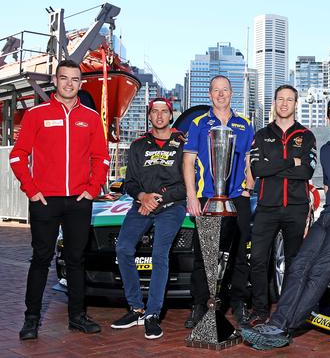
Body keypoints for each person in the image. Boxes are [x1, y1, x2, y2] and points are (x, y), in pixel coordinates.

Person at [241, 95, 330, 349]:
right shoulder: (328, 150)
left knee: (319, 269)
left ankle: (284, 327)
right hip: (328, 214)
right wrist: (315, 216)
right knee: (298, 266)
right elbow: (328, 186)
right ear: (328, 120)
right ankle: (277, 323)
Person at [10, 59, 110, 339]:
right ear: (55, 81)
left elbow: (101, 157)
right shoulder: (36, 115)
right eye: (64, 78)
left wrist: (92, 188)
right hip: (45, 201)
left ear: (80, 83)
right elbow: (18, 156)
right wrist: (31, 189)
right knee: (41, 258)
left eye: (75, 79)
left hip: (79, 200)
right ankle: (31, 319)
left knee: (77, 259)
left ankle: (77, 316)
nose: (69, 84)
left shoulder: (90, 117)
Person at [109, 98, 186, 339]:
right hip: (141, 205)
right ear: (149, 116)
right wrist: (143, 196)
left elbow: (188, 183)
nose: (160, 115)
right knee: (123, 248)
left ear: (171, 116)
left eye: (164, 111)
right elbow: (129, 182)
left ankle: (153, 314)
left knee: (159, 254)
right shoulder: (138, 145)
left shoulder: (184, 143)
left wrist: (158, 199)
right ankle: (136, 308)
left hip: (172, 206)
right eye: (155, 111)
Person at [182, 75, 255, 328]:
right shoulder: (199, 123)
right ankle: (200, 305)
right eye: (216, 90)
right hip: (208, 198)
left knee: (238, 253)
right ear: (210, 94)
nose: (221, 94)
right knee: (205, 254)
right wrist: (192, 196)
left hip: (237, 198)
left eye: (225, 90)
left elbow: (248, 161)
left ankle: (238, 304)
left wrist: (249, 187)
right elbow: (188, 162)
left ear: (232, 93)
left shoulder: (245, 124)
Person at [247, 84, 317, 326]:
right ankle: (259, 309)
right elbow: (258, 169)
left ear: (296, 103)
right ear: (274, 103)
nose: (284, 103)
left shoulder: (306, 135)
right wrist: (291, 161)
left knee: (294, 261)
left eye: (289, 99)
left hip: (296, 208)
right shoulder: (261, 135)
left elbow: (307, 171)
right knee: (257, 258)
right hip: (266, 207)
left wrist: (274, 164)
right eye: (280, 99)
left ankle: (287, 310)